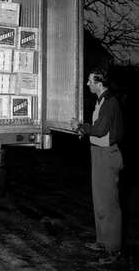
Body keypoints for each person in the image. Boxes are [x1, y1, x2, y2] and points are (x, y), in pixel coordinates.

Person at [71, 68, 124, 266]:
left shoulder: (110, 102)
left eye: (89, 80)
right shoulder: (101, 100)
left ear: (99, 83)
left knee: (109, 203)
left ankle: (113, 249)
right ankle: (102, 241)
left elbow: (101, 130)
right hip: (98, 153)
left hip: (108, 156)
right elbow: (99, 129)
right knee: (99, 200)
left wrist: (80, 126)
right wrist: (85, 131)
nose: (87, 84)